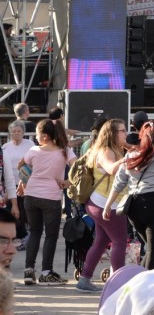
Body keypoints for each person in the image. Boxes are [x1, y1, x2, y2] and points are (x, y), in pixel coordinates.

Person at [104, 121, 154, 270]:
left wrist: (108, 206)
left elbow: (119, 183)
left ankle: (140, 278)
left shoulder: (131, 156)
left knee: (151, 248)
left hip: (135, 208)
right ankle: (145, 286)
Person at [19, 118, 74, 285]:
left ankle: (29, 270)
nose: (35, 138)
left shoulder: (34, 150)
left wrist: (24, 181)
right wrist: (68, 182)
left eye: (37, 135)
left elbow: (21, 165)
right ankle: (46, 271)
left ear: (44, 136)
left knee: (34, 232)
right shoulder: (64, 150)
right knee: (50, 235)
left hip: (31, 195)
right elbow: (78, 166)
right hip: (51, 197)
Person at [76, 118, 128, 293]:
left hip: (99, 203)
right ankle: (118, 284)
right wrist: (128, 158)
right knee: (119, 242)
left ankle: (84, 278)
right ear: (113, 134)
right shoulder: (106, 151)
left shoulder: (108, 149)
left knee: (101, 241)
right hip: (106, 205)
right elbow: (111, 168)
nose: (125, 134)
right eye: (122, 131)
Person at [3, 120, 31, 239]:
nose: (16, 133)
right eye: (14, 131)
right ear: (10, 133)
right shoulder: (5, 147)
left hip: (26, 183)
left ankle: (25, 234)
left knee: (24, 210)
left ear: (23, 132)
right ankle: (15, 234)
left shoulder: (30, 145)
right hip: (10, 183)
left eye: (19, 131)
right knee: (12, 209)